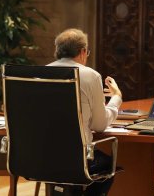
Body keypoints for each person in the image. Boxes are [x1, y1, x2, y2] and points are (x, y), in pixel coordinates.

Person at [47, 28, 122, 196]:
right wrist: (116, 98)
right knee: (107, 164)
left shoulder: (40, 74)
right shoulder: (90, 76)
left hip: (42, 159)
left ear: (57, 51)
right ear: (82, 52)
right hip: (77, 160)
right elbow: (100, 125)